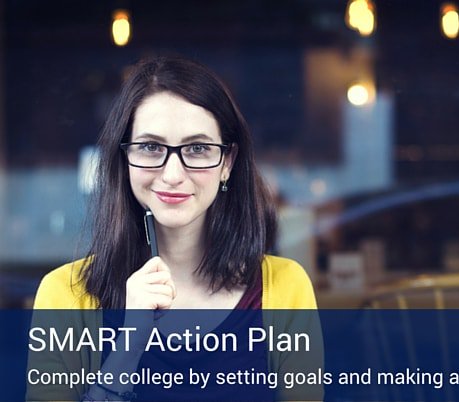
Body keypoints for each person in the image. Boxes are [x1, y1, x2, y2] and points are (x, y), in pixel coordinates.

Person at [28, 56, 321, 401]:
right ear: (124, 160)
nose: (172, 174)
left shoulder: (286, 288)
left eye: (197, 148)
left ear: (227, 162)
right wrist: (128, 347)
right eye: (151, 147)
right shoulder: (64, 296)